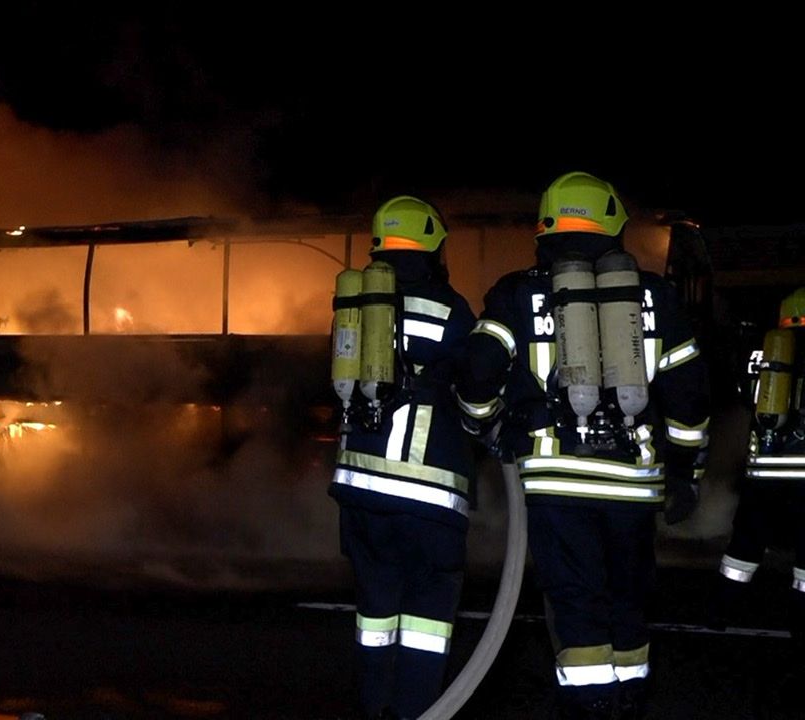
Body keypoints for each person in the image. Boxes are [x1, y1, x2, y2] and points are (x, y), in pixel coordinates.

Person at [455, 172, 710, 719]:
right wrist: (685, 472)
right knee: (628, 600)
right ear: (613, 222)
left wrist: (490, 426)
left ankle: (589, 704)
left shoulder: (517, 293)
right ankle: (629, 698)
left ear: (545, 226)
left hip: (557, 483)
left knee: (576, 602)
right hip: (634, 486)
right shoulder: (655, 296)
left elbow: (477, 374)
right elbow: (689, 394)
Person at [328, 195, 477, 720]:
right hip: (427, 496)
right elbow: (476, 385)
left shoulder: (357, 304)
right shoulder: (450, 309)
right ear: (434, 244)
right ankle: (418, 712)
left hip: (360, 494)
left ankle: (374, 708)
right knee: (426, 624)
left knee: (374, 616)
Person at [711, 288, 805, 648]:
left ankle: (721, 612)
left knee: (744, 547)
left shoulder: (765, 352)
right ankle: (800, 624)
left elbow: (745, 396)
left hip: (763, 472)